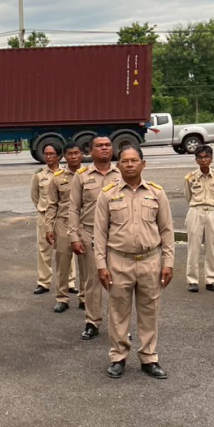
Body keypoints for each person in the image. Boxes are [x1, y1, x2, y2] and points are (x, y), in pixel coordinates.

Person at [94, 146, 174, 379]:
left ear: (143, 164)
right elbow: (99, 234)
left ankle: (149, 358)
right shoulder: (107, 194)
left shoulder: (156, 193)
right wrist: (101, 265)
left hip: (151, 260)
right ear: (118, 166)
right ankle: (118, 357)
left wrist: (168, 262)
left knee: (150, 311)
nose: (129, 165)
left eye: (134, 160)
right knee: (118, 312)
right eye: (125, 161)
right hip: (119, 261)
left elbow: (167, 231)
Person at [69, 136, 122, 340]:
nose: (104, 148)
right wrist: (74, 236)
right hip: (90, 234)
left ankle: (120, 324)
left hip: (117, 234)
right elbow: (73, 208)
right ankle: (92, 321)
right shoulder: (82, 176)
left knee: (119, 282)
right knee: (93, 280)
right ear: (91, 151)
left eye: (107, 145)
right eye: (99, 146)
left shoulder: (121, 173)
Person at [43, 145, 85, 314]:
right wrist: (48, 227)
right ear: (64, 157)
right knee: (63, 262)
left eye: (76, 153)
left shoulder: (89, 176)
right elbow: (51, 204)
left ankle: (84, 297)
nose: (73, 157)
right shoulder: (57, 178)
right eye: (70, 154)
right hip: (63, 223)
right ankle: (62, 298)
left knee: (86, 264)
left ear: (82, 155)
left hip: (84, 224)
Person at [184, 145, 214, 294]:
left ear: (211, 159)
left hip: (212, 211)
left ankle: (211, 279)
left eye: (206, 157)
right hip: (196, 210)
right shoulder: (190, 177)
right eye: (200, 157)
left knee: (212, 247)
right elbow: (188, 196)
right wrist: (196, 208)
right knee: (193, 247)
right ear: (196, 160)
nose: (203, 160)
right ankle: (192, 280)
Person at [31, 144, 61, 295]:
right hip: (44, 216)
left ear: (58, 156)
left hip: (62, 217)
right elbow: (34, 196)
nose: (48, 157)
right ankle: (44, 282)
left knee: (65, 250)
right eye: (46, 154)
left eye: (52, 154)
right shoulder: (39, 175)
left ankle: (69, 282)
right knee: (44, 250)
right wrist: (44, 209)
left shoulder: (66, 174)